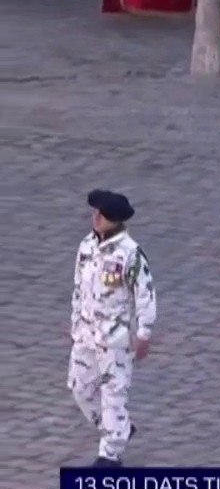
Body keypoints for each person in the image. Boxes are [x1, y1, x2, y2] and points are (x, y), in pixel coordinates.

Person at [69, 190, 156, 467]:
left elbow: (145, 293)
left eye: (102, 215)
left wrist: (144, 333)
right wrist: (75, 320)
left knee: (113, 394)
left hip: (115, 338)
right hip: (86, 334)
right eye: (95, 213)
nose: (95, 218)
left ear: (115, 220)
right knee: (80, 387)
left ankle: (111, 453)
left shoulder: (130, 254)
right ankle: (120, 428)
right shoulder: (86, 246)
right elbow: (78, 288)